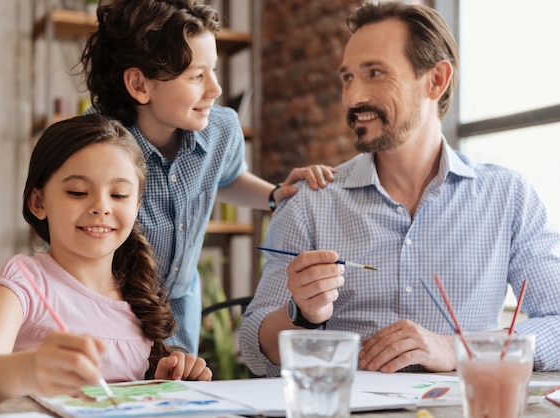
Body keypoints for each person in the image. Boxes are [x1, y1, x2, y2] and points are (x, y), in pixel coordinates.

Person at [239, 1, 560, 377]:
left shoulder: (509, 197)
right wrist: (302, 313)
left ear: (436, 81)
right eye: (347, 77)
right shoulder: (309, 201)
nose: (353, 97)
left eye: (375, 73)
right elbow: (254, 343)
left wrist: (458, 349)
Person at [79, 0, 335, 354]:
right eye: (197, 76)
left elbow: (227, 178)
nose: (215, 89)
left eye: (213, 71)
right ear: (139, 84)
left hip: (178, 309)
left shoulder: (221, 129)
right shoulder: (95, 141)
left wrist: (277, 195)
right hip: (103, 309)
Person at [0, 114, 212, 411]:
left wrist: (158, 382)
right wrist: (31, 368)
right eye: (77, 192)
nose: (101, 207)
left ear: (137, 206)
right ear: (38, 202)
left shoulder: (136, 293)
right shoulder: (23, 281)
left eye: (119, 194)